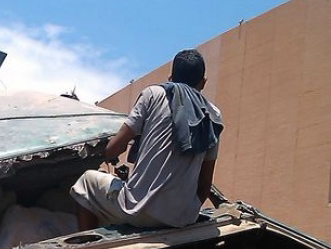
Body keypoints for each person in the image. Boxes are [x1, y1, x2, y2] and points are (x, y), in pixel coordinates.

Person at [70, 49, 223, 231]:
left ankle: (88, 248)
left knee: (86, 182)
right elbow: (205, 184)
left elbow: (114, 149)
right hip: (183, 216)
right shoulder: (213, 115)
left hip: (140, 211)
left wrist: (108, 152)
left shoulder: (153, 94)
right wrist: (185, 211)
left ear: (170, 77)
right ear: (203, 83)